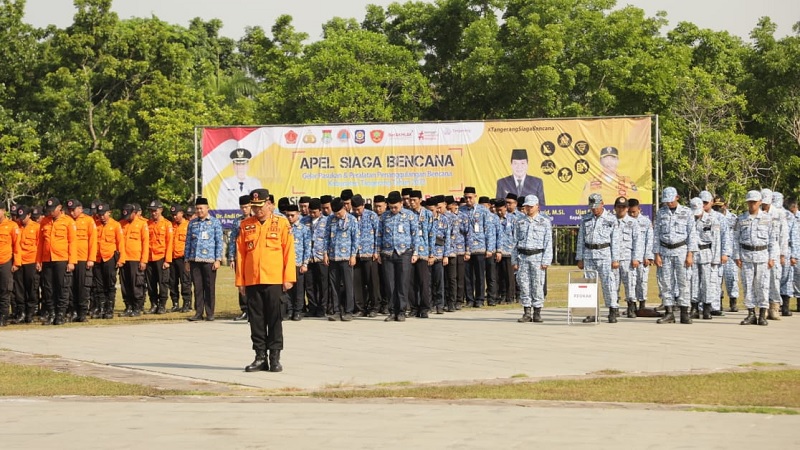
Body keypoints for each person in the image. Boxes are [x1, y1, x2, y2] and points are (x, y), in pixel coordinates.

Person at [235, 188, 296, 373]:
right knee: (256, 320)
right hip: (253, 279)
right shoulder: (246, 225)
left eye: (260, 206)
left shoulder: (281, 223)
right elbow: (240, 254)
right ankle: (260, 357)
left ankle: (275, 357)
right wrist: (241, 281)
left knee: (275, 319)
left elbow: (288, 251)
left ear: (270, 204)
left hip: (274, 279)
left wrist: (289, 278)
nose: (257, 210)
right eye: (254, 206)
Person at [733, 190, 777, 326]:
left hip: (763, 256)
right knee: (747, 286)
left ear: (760, 203)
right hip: (746, 256)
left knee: (762, 286)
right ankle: (751, 313)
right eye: (749, 202)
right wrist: (736, 256)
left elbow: (773, 240)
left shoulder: (767, 219)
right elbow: (735, 239)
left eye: (754, 202)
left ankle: (762, 314)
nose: (752, 205)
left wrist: (772, 257)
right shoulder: (741, 219)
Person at [653, 187, 696, 324]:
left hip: (681, 251)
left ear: (677, 197)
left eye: (671, 201)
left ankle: (684, 313)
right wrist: (656, 254)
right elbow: (656, 234)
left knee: (684, 282)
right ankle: (669, 312)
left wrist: (690, 254)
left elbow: (692, 234)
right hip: (665, 251)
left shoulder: (687, 212)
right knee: (666, 283)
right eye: (666, 201)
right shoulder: (661, 213)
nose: (668, 203)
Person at [576, 194, 620, 323]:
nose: (594, 209)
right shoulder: (585, 219)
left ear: (602, 204)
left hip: (605, 254)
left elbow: (615, 241)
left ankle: (612, 310)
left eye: (596, 207)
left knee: (609, 283)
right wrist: (580, 257)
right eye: (592, 207)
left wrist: (615, 259)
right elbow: (580, 239)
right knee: (589, 284)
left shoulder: (611, 219)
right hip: (589, 254)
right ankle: (591, 312)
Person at [377, 191, 418, 321]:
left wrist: (415, 252)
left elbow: (415, 235)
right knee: (390, 284)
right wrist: (378, 252)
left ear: (401, 203)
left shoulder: (410, 216)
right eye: (391, 207)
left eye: (396, 207)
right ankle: (392, 311)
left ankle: (401, 311)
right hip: (387, 253)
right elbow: (379, 235)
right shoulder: (384, 217)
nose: (393, 209)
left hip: (404, 253)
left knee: (402, 282)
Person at [36, 198, 77, 325]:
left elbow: (72, 242)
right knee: (48, 289)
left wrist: (72, 261)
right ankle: (51, 313)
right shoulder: (45, 221)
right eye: (49, 210)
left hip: (62, 259)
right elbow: (40, 243)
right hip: (47, 259)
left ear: (59, 208)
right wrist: (38, 260)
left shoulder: (68, 221)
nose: (51, 212)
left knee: (62, 287)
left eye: (53, 209)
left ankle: (60, 314)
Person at [513, 195, 552, 323]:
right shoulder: (519, 222)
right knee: (524, 285)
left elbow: (548, 242)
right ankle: (526, 312)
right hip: (523, 257)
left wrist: (546, 260)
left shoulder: (544, 222)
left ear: (537, 206)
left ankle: (537, 312)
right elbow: (514, 242)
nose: (528, 208)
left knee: (538, 285)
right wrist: (514, 261)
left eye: (531, 206)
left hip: (537, 257)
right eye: (526, 206)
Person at [184, 197, 223, 321]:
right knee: (198, 287)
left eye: (201, 208)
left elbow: (219, 242)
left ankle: (210, 313)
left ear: (207, 208)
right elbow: (188, 242)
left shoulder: (215, 222)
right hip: (195, 260)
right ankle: (198, 312)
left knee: (209, 287)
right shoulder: (192, 223)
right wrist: (186, 260)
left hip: (209, 260)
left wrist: (218, 259)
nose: (199, 211)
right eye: (197, 208)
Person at [324, 197, 359, 321]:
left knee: (348, 285)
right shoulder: (330, 219)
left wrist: (353, 255)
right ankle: (336, 310)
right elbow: (326, 237)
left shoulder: (352, 220)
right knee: (334, 286)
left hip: (346, 257)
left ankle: (349, 311)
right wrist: (325, 253)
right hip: (333, 257)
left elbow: (355, 239)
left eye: (339, 212)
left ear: (344, 208)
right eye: (335, 213)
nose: (337, 215)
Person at [689, 197, 724, 320]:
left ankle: (707, 307)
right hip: (693, 254)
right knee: (693, 281)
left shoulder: (712, 220)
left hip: (706, 252)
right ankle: (694, 307)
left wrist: (716, 259)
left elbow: (716, 240)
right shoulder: (689, 219)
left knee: (706, 282)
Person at [460, 187, 496, 308]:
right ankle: (470, 299)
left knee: (480, 275)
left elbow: (489, 230)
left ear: (475, 196)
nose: (468, 200)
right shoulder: (461, 210)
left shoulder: (483, 210)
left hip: (480, 247)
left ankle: (480, 298)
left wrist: (489, 248)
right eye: (466, 197)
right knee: (467, 275)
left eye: (470, 197)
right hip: (466, 249)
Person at [66, 199, 98, 322]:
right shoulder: (66, 220)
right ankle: (72, 311)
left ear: (80, 208)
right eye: (69, 210)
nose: (71, 212)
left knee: (83, 286)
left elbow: (92, 241)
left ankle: (82, 311)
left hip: (83, 258)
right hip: (69, 259)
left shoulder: (88, 221)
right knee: (70, 286)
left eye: (73, 210)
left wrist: (91, 259)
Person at [760, 189, 788, 321]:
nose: (764, 205)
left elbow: (783, 235)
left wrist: (783, 254)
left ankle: (774, 307)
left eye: (766, 203)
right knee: (762, 281)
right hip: (762, 251)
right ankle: (763, 308)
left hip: (775, 250)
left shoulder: (779, 214)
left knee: (775, 280)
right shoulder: (758, 214)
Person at [94, 203, 125, 319]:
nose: (102, 217)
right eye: (100, 215)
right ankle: (101, 308)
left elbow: (120, 243)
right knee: (99, 286)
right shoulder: (95, 225)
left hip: (109, 258)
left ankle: (109, 309)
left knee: (110, 285)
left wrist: (121, 259)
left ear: (109, 213)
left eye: (104, 214)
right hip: (97, 258)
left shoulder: (116, 225)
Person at [612, 197, 642, 319]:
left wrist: (636, 258)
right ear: (615, 208)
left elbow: (637, 241)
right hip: (613, 259)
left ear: (627, 208)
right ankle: (614, 307)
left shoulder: (633, 222)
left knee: (630, 283)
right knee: (613, 284)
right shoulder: (610, 221)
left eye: (623, 207)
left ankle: (631, 306)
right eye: (619, 207)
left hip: (628, 258)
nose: (621, 209)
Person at [352, 194, 381, 317]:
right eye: (355, 209)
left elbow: (378, 234)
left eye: (359, 209)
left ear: (363, 205)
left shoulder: (372, 216)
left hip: (370, 254)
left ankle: (375, 307)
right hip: (356, 255)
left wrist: (376, 251)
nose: (357, 211)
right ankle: (360, 308)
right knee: (357, 282)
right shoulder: (351, 217)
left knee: (372, 282)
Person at [119, 204, 149, 317]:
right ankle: (128, 306)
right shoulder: (121, 224)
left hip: (136, 259)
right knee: (125, 284)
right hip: (123, 258)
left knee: (136, 283)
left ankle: (137, 307)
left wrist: (143, 260)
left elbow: (146, 243)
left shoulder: (142, 224)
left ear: (134, 213)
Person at [145, 200, 173, 315]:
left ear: (161, 210)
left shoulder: (167, 224)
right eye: (151, 211)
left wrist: (167, 260)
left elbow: (170, 243)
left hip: (161, 257)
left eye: (155, 210)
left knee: (163, 282)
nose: (153, 213)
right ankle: (153, 304)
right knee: (151, 283)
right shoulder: (147, 224)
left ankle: (162, 305)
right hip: (149, 257)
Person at [408, 190, 433, 317]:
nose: (411, 202)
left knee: (423, 281)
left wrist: (431, 253)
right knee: (411, 281)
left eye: (414, 200)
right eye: (410, 200)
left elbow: (431, 235)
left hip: (423, 251)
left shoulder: (428, 214)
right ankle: (413, 307)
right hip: (409, 251)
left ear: (420, 200)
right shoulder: (406, 214)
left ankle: (424, 308)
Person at [303, 199, 330, 317]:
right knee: (309, 284)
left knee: (323, 283)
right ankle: (312, 307)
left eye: (314, 212)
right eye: (310, 212)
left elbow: (329, 239)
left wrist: (326, 254)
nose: (312, 214)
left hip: (321, 257)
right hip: (308, 257)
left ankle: (323, 307)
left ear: (320, 210)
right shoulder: (304, 221)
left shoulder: (327, 221)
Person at [713, 196, 740, 311]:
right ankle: (718, 302)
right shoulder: (713, 218)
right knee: (716, 279)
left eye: (720, 206)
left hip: (731, 254)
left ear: (725, 205)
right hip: (716, 253)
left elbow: (738, 235)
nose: (718, 208)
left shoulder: (734, 218)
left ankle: (733, 302)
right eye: (716, 206)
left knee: (732, 278)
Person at [12, 206, 38, 324]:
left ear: (29, 215)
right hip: (18, 262)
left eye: (23, 217)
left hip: (31, 261)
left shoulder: (37, 227)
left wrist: (39, 262)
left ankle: (30, 313)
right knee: (19, 289)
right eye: (19, 218)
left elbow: (40, 246)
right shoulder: (16, 226)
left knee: (31, 288)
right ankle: (21, 312)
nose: (21, 220)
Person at [228, 195, 252, 321]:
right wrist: (231, 258)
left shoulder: (255, 220)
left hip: (252, 256)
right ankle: (244, 309)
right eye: (242, 207)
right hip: (240, 257)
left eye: (247, 207)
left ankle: (253, 309)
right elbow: (232, 240)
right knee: (241, 282)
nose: (245, 209)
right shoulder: (237, 222)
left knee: (252, 283)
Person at [627, 199, 653, 312]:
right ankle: (631, 305)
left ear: (639, 209)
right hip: (628, 257)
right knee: (630, 281)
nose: (632, 214)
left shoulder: (646, 222)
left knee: (642, 281)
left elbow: (649, 240)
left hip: (642, 257)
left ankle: (642, 304)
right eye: (630, 212)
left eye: (634, 212)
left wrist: (648, 256)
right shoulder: (624, 221)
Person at [286, 203, 309, 321]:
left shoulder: (304, 229)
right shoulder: (284, 228)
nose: (290, 218)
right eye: (288, 216)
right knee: (287, 289)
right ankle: (289, 310)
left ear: (298, 214)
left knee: (299, 289)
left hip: (298, 263)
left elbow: (307, 247)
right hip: (286, 264)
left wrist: (305, 264)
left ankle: (298, 311)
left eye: (292, 215)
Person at [429, 196, 451, 314]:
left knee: (439, 282)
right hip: (427, 255)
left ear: (437, 209)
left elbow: (447, 239)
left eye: (432, 210)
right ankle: (430, 304)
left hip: (439, 255)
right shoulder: (424, 219)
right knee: (428, 282)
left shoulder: (444, 220)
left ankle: (439, 305)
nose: (430, 213)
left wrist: (446, 255)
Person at [169, 204, 193, 312]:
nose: (174, 217)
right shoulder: (171, 226)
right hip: (172, 258)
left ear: (182, 213)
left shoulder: (188, 225)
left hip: (183, 258)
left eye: (176, 214)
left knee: (185, 282)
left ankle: (187, 303)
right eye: (173, 215)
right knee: (172, 282)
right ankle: (175, 303)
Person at [0, 204, 21, 326]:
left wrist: (16, 262)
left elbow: (17, 245)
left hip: (5, 261)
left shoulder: (12, 226)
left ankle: (3, 316)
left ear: (3, 211)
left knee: (5, 290)